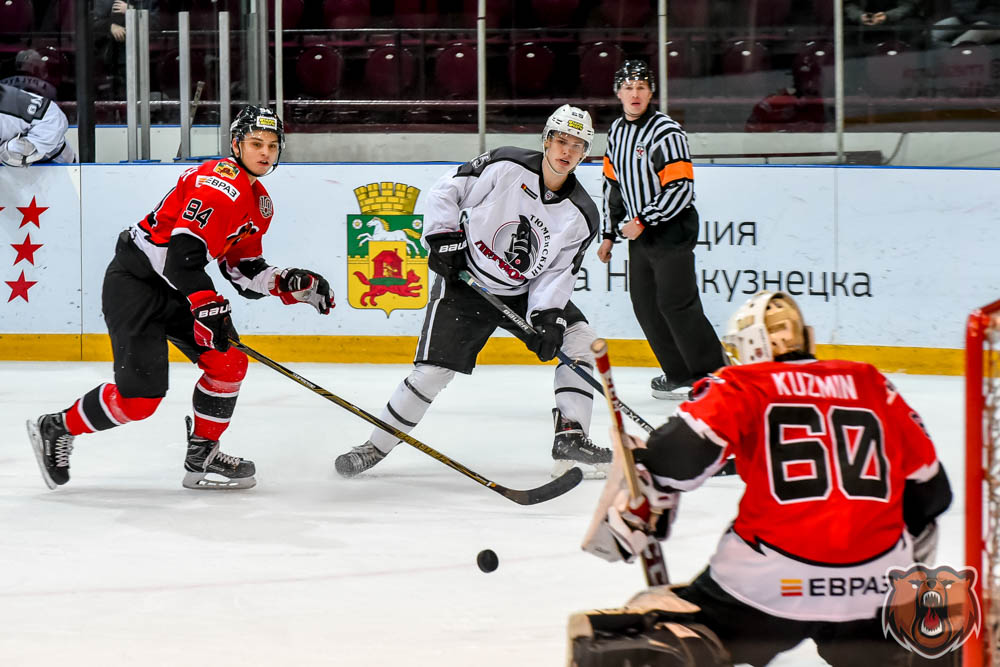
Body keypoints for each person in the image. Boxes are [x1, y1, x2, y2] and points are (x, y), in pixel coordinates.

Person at [576, 291, 953, 666]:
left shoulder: (744, 382)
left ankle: (679, 646)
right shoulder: (872, 383)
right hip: (874, 588)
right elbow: (933, 494)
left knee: (657, 628)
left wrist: (643, 486)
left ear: (752, 344)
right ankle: (909, 646)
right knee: (902, 622)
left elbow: (673, 459)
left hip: (764, 586)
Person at [25, 105, 335, 491]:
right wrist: (207, 306)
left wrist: (290, 282)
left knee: (229, 362)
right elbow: (180, 259)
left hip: (179, 288)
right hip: (137, 284)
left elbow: (242, 270)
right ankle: (56, 426)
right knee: (139, 402)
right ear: (236, 144)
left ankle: (202, 451)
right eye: (256, 143)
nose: (265, 153)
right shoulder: (218, 183)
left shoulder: (259, 203)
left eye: (272, 145)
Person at [334, 104, 611, 480]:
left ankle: (570, 436)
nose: (566, 151)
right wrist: (444, 239)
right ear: (546, 140)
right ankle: (375, 446)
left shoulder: (583, 214)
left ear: (585, 152)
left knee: (579, 340)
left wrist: (548, 318)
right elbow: (446, 191)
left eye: (576, 146)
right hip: (466, 281)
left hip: (523, 291)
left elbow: (558, 273)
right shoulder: (505, 165)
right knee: (431, 374)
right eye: (561, 141)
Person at [597, 60, 725, 400]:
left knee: (677, 304)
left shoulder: (666, 131)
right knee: (646, 307)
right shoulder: (616, 132)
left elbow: (680, 188)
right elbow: (612, 186)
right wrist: (609, 234)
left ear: (651, 91)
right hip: (640, 234)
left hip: (670, 228)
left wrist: (642, 221)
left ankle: (712, 376)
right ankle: (680, 374)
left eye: (641, 86)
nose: (635, 93)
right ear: (618, 93)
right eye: (628, 87)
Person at [0, 82, 76, 166]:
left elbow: (53, 116)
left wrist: (29, 146)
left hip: (58, 167)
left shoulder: (10, 102)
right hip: (9, 173)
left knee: (12, 153)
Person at [932, 0, 1000, 47]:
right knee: (930, 35)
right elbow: (961, 8)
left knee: (961, 44)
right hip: (967, 18)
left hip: (993, 23)